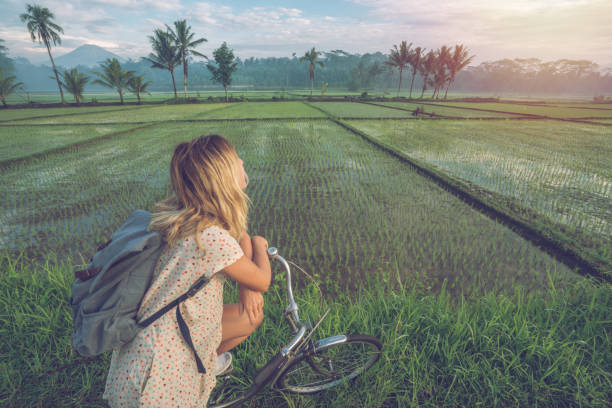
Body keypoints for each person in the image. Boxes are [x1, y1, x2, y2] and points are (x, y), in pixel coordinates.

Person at [103, 135, 272, 407]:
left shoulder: (189, 215)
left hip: (157, 334)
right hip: (160, 366)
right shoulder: (212, 239)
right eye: (235, 158)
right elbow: (262, 279)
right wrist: (259, 246)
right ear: (223, 177)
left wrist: (246, 285)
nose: (242, 160)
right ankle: (193, 368)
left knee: (249, 317)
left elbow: (237, 234)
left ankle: (203, 362)